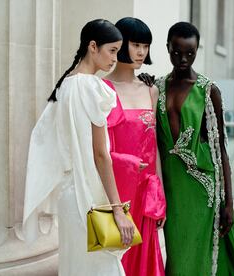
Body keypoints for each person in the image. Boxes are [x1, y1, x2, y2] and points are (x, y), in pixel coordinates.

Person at [22, 19, 135, 276]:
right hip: (88, 196)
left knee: (75, 267)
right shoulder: (92, 87)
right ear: (93, 46)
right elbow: (100, 155)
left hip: (68, 196)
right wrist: (117, 209)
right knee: (103, 268)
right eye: (112, 51)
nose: (115, 59)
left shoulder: (65, 85)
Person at [155, 22, 234, 276]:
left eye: (190, 53)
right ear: (167, 48)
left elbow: (221, 147)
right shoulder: (156, 88)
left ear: (197, 51)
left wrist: (229, 203)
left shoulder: (208, 90)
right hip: (171, 188)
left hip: (203, 190)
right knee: (178, 254)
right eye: (176, 52)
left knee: (199, 254)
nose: (183, 58)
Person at [104, 17, 166, 276]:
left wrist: (160, 190)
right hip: (118, 191)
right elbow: (99, 150)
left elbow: (155, 146)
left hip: (146, 190)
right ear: (120, 44)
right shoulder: (103, 89)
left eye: (146, 46)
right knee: (118, 259)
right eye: (136, 44)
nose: (142, 52)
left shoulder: (151, 91)